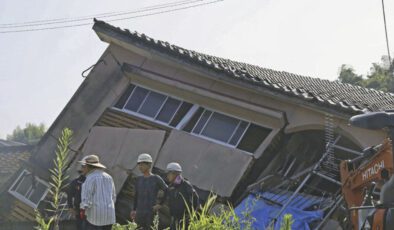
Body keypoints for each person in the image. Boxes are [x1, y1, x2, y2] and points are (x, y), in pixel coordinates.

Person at [130, 153, 168, 230]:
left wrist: (160, 204)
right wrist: (134, 210)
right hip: (139, 213)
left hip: (151, 213)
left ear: (149, 165)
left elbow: (167, 190)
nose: (140, 167)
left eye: (142, 164)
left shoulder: (156, 178)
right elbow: (136, 196)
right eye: (139, 164)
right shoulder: (139, 179)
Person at [79, 155, 116, 230]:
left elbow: (86, 199)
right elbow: (113, 196)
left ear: (88, 167)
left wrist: (82, 210)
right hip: (109, 214)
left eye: (83, 166)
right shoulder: (109, 177)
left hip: (95, 216)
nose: (82, 169)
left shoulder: (90, 178)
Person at [165, 162, 199, 230]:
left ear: (175, 173)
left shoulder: (186, 185)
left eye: (169, 173)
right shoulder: (171, 187)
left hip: (185, 221)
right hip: (175, 219)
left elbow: (195, 199)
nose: (167, 176)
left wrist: (191, 215)